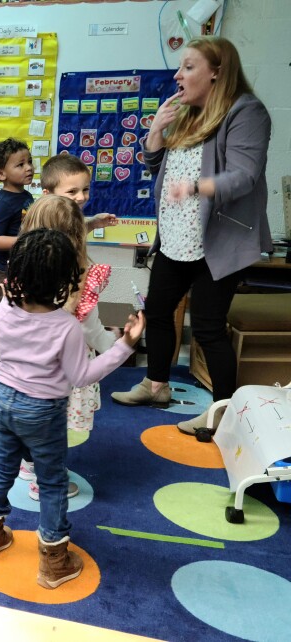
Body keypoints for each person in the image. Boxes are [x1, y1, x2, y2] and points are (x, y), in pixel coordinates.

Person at [110, 37, 272, 437]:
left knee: (208, 326)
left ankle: (222, 413)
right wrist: (154, 133)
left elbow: (244, 175)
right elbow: (156, 167)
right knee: (160, 312)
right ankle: (155, 386)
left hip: (218, 243)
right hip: (175, 239)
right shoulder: (187, 113)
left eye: (188, 67)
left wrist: (197, 187)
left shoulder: (245, 111)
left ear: (217, 72)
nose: (177, 75)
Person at [0, 228, 144, 590]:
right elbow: (82, 375)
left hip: (2, 400)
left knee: (2, 467)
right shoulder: (66, 326)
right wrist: (125, 346)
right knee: (51, 482)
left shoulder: (4, 308)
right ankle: (54, 562)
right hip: (42, 411)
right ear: (65, 281)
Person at [17, 195, 121, 500]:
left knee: (33, 420)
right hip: (65, 371)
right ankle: (45, 483)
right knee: (54, 429)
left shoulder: (23, 274)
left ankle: (27, 466)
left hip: (29, 366)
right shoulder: (80, 282)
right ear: (78, 237)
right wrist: (114, 344)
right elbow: (91, 331)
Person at [0, 138, 33, 306]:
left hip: (23, 265)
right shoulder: (3, 204)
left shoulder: (26, 196)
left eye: (30, 162)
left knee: (27, 310)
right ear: (1, 174)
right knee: (9, 313)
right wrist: (28, 240)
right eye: (20, 165)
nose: (29, 168)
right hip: (5, 270)